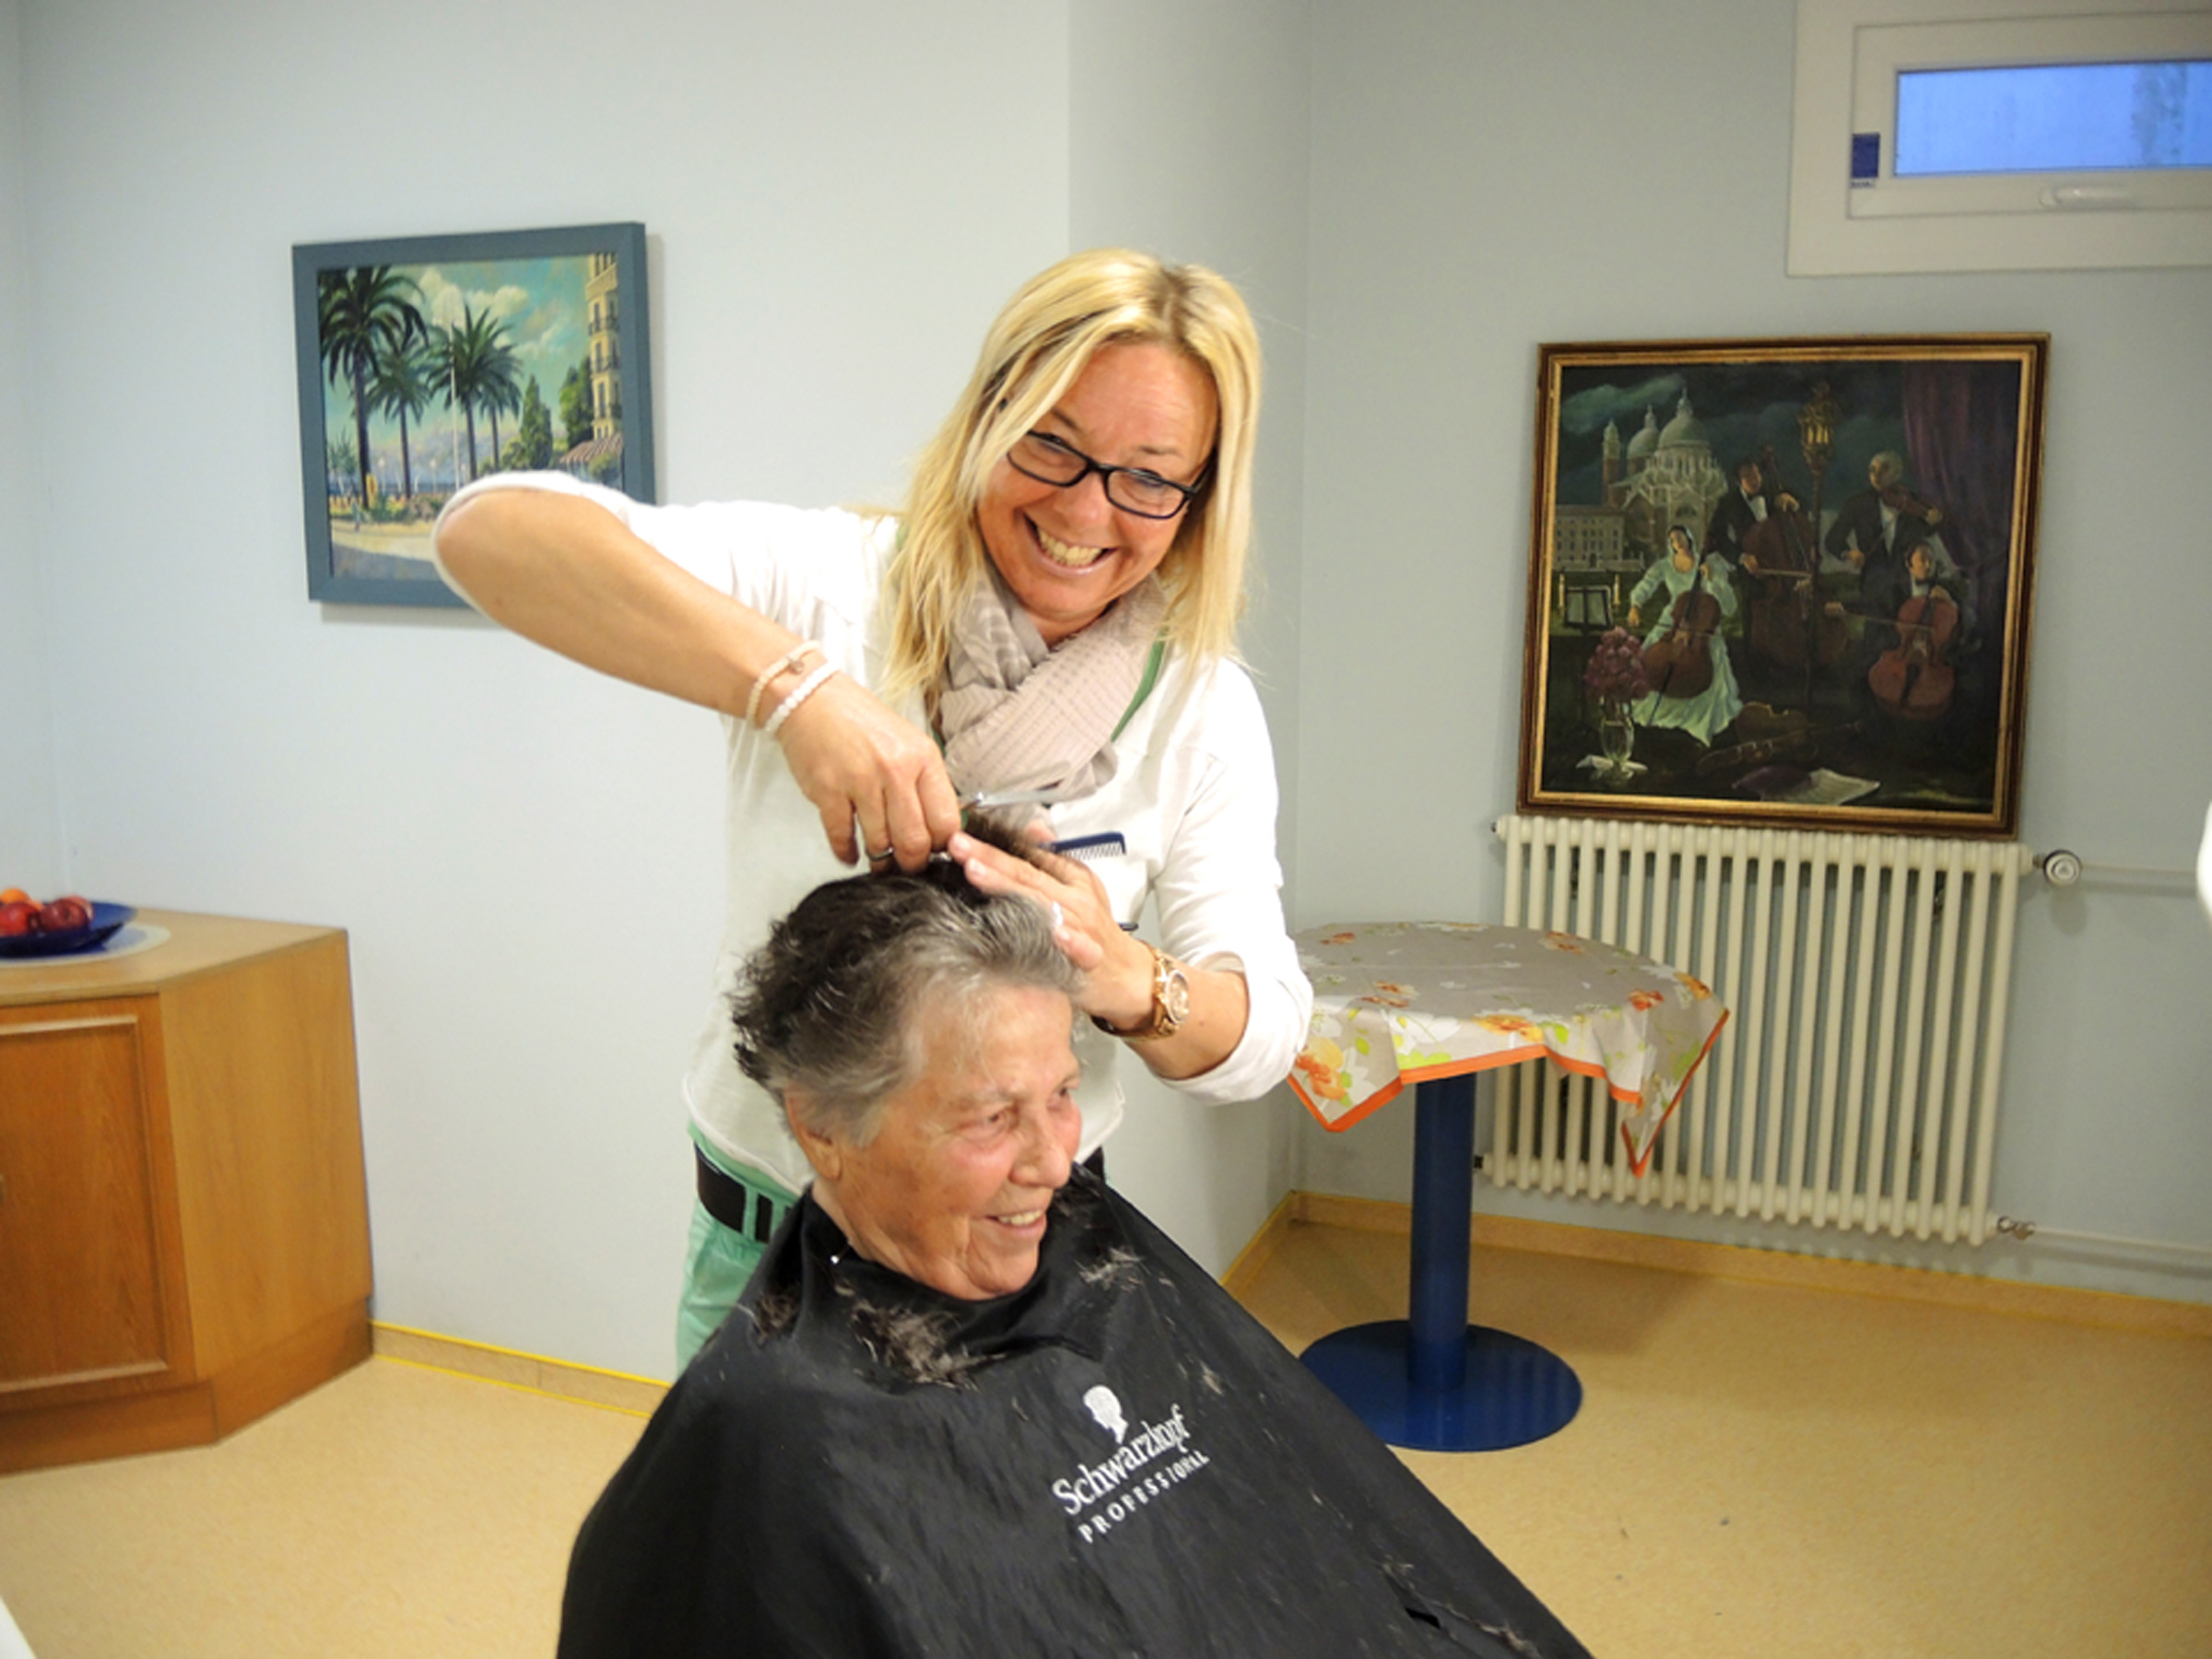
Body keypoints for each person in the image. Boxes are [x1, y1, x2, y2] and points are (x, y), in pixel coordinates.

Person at [431, 251, 1312, 1365]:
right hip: (773, 1252)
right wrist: (792, 689)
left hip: (1028, 1256)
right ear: (990, 414)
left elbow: (1265, 1034)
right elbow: (486, 531)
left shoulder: (1200, 709)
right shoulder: (827, 589)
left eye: (1148, 477)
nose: (1088, 510)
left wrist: (1127, 977)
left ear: (1197, 503)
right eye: (1053, 441)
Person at [554, 850, 1592, 1659]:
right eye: (994, 1117)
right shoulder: (775, 1435)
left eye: (1062, 1095)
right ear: (823, 1125)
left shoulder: (1097, 1258)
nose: (1057, 1163)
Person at [1625, 524, 1743, 746]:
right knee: (1652, 659)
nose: (1677, 542)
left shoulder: (1709, 563)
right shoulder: (1665, 566)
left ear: (1689, 538)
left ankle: (1697, 723)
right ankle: (1653, 717)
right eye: (1672, 539)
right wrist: (1636, 605)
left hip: (1702, 622)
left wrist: (1714, 578)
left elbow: (1729, 606)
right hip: (1674, 620)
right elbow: (1647, 584)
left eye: (1680, 537)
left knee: (1711, 661)